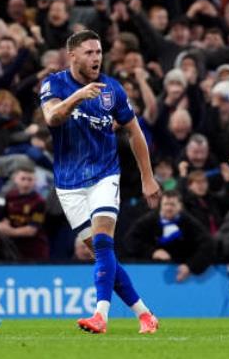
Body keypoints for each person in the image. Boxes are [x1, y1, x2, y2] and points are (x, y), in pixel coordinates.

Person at [40, 30, 160, 334]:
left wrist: (148, 177)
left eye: (99, 52)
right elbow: (52, 118)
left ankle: (100, 316)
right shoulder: (54, 84)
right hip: (68, 184)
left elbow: (135, 131)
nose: (97, 57)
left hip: (104, 174)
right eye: (90, 52)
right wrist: (79, 96)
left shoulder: (113, 90)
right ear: (73, 56)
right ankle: (145, 314)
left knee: (105, 241)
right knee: (103, 255)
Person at [125, 191, 214, 282]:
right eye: (166, 204)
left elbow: (208, 244)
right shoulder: (149, 219)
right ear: (161, 205)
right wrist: (152, 252)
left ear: (180, 206)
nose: (168, 208)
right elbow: (130, 240)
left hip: (183, 274)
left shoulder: (188, 222)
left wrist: (190, 266)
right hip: (150, 272)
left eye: (172, 205)